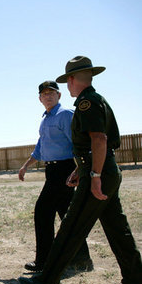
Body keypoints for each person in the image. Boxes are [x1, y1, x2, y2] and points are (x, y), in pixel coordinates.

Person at [18, 56, 142, 284]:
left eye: (66, 83)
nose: (68, 87)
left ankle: (47, 279)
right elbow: (90, 145)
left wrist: (93, 174)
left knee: (71, 226)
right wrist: (81, 168)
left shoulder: (86, 103)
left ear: (72, 79)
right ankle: (136, 283)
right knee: (117, 228)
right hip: (102, 170)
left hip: (99, 173)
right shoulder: (96, 100)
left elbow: (99, 139)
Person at [19, 81, 92, 272]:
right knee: (67, 216)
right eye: (44, 94)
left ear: (59, 96)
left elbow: (77, 143)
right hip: (51, 171)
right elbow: (40, 148)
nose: (48, 96)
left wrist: (79, 168)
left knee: (42, 212)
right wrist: (26, 166)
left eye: (52, 93)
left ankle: (44, 261)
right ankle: (82, 260)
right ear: (40, 99)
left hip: (64, 170)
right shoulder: (45, 119)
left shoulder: (65, 114)